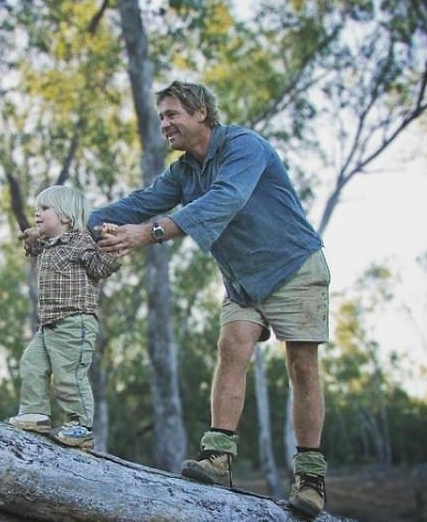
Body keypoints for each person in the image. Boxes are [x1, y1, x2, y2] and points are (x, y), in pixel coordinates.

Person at [88, 81, 330, 517]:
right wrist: (80, 225)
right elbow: (142, 201)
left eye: (171, 114)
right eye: (161, 116)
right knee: (232, 347)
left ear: (201, 112)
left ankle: (311, 479)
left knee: (301, 366)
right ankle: (218, 458)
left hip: (294, 266)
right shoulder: (184, 172)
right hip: (243, 281)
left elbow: (227, 198)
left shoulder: (243, 146)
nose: (164, 124)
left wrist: (150, 233)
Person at [7, 185, 120, 449]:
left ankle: (81, 426)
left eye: (44, 209)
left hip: (75, 322)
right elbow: (33, 244)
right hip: (48, 324)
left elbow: (100, 266)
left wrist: (111, 247)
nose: (37, 214)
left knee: (69, 375)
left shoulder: (80, 242)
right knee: (31, 364)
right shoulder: (46, 244)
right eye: (37, 209)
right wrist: (33, 236)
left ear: (67, 217)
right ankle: (35, 413)